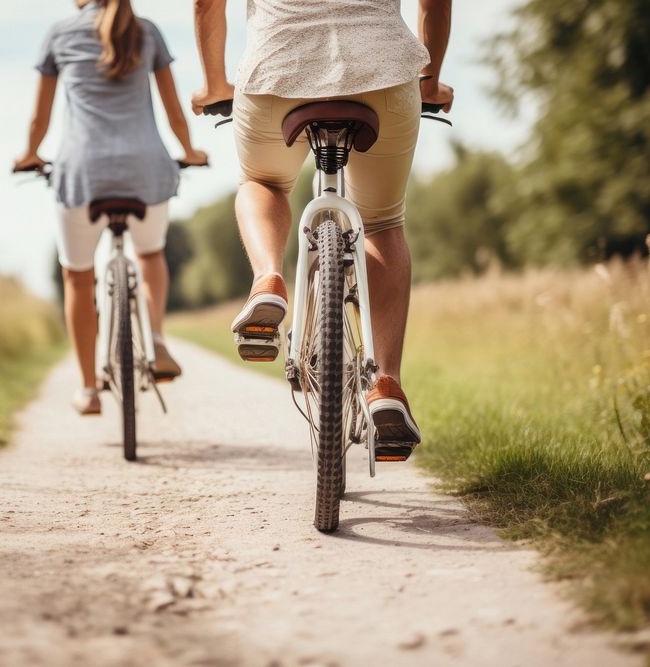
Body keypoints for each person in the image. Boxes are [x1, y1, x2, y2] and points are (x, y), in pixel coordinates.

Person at [191, 0, 454, 460]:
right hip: (383, 70)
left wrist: (215, 83)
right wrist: (429, 83)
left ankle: (269, 280)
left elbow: (205, 4)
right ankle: (386, 384)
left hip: (278, 68)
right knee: (381, 222)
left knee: (263, 181)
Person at [15, 0, 208, 415]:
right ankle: (155, 340)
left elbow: (39, 118)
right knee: (151, 253)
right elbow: (174, 111)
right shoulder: (147, 30)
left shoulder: (60, 34)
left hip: (82, 172)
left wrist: (29, 154)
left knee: (78, 276)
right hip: (146, 170)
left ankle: (87, 389)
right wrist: (190, 152)